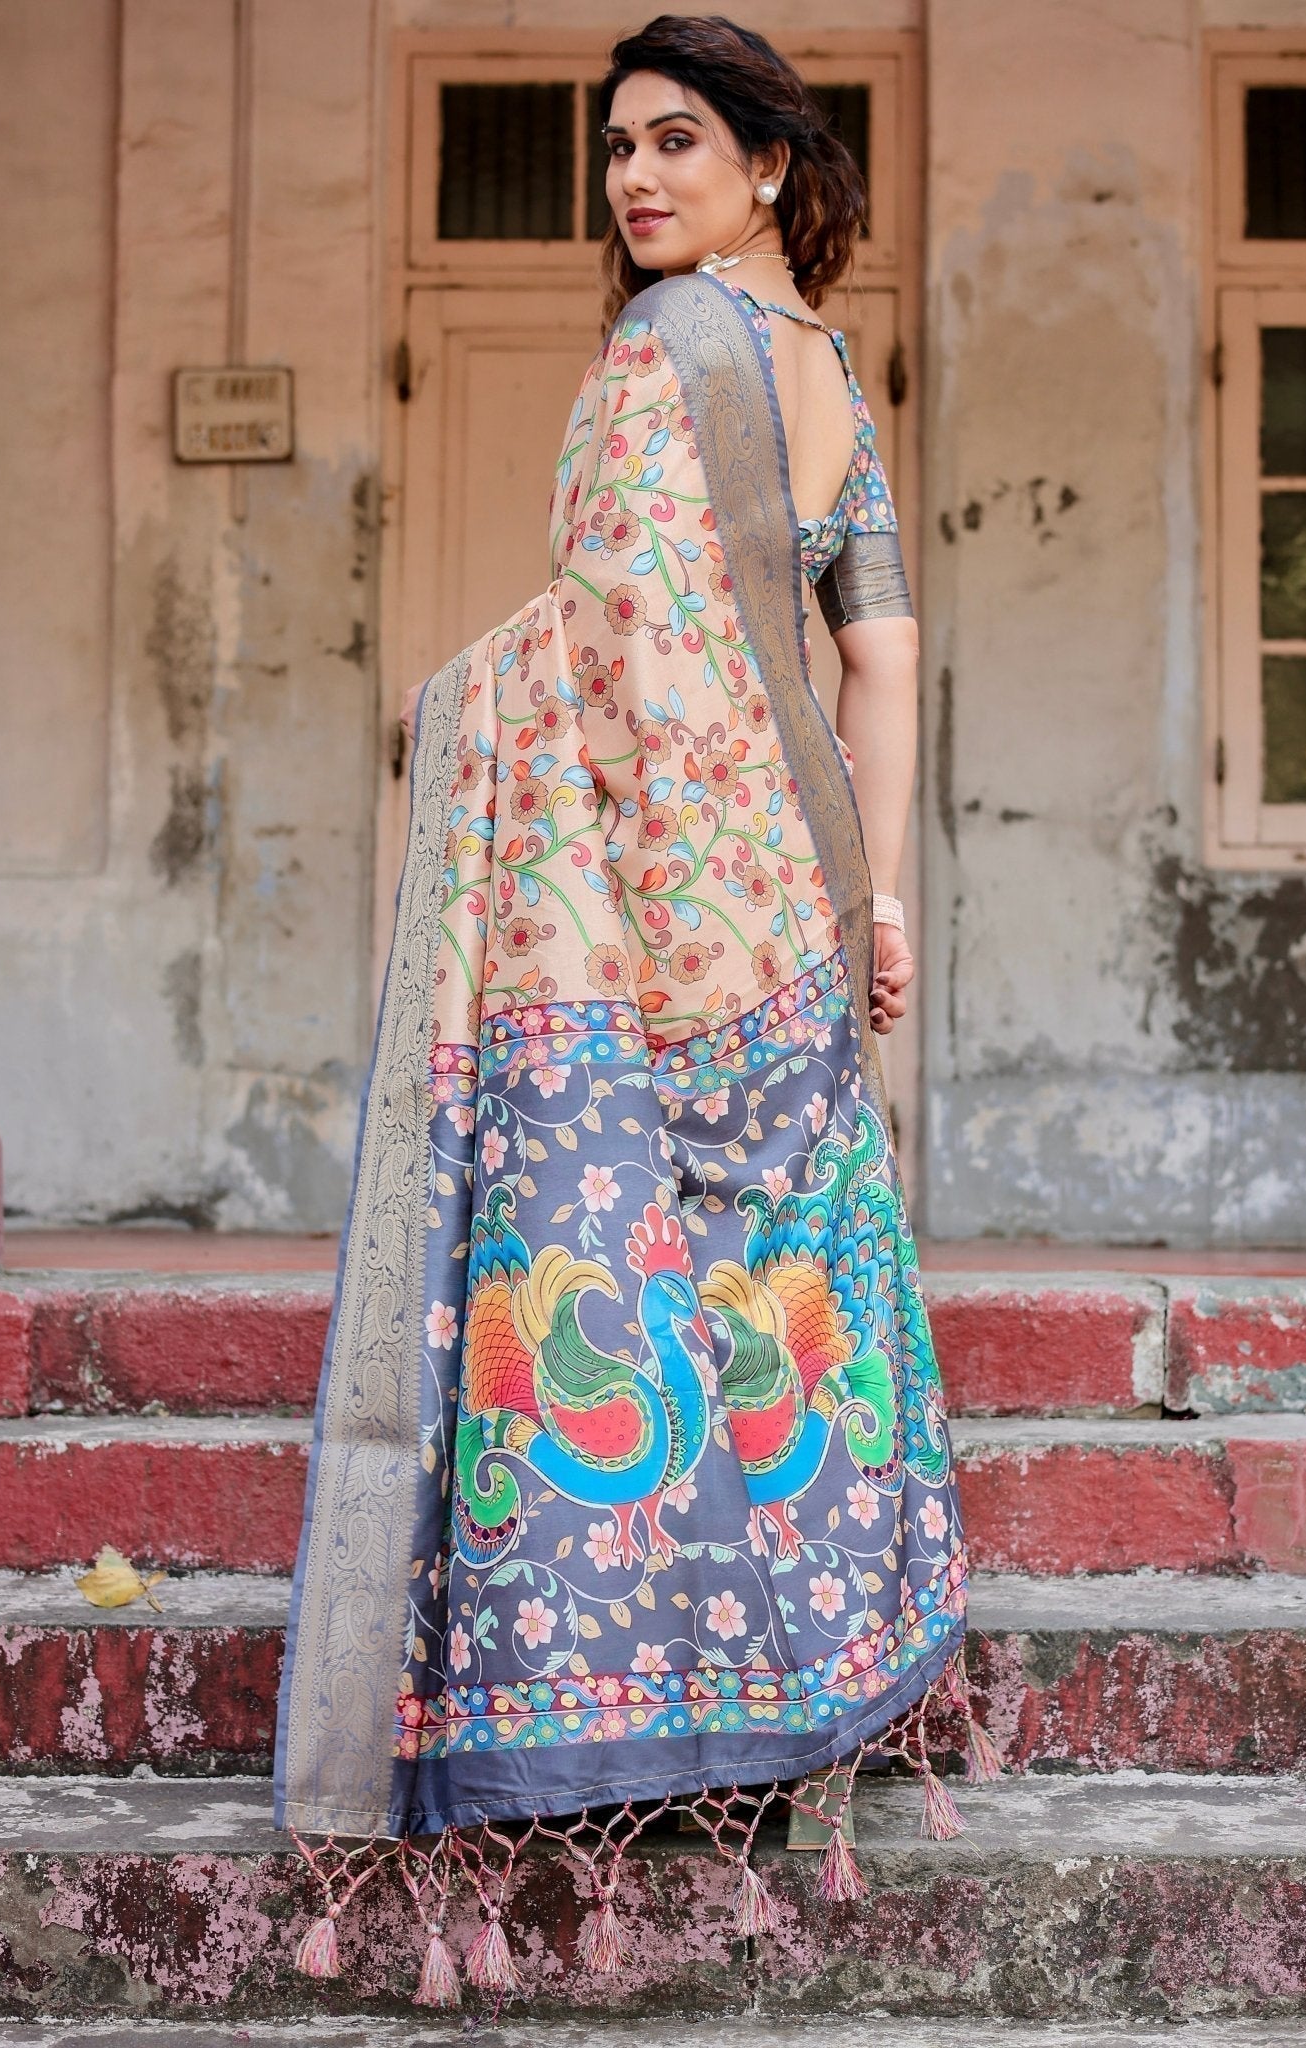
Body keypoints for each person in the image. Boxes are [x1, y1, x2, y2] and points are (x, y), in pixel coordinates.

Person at [277, 14, 999, 2003]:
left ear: (770, 164)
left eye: (677, 141)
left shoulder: (661, 354)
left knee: (617, 1287)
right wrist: (871, 889)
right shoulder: (829, 374)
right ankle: (805, 1682)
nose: (636, 180)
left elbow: (613, 635)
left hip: (649, 904)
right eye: (617, 150)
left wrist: (454, 703)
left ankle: (644, 1707)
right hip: (787, 888)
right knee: (776, 1298)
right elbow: (878, 654)